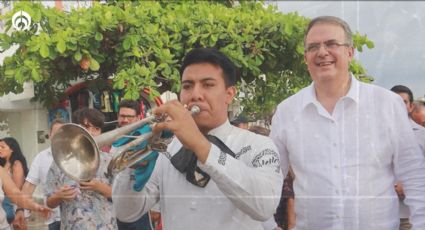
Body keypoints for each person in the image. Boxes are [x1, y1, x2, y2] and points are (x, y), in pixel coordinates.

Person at [270, 16, 425, 229]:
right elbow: (269, 178)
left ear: (350, 52)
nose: (322, 52)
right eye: (313, 47)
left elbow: (414, 173)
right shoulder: (287, 111)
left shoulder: (387, 104)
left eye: (332, 44)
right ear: (306, 57)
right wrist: (268, 225)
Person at [112, 48, 283, 230]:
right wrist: (132, 167)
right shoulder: (165, 148)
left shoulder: (258, 145)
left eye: (208, 85)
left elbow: (265, 206)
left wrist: (199, 144)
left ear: (229, 94)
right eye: (187, 86)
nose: (195, 94)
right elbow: (127, 213)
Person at [45, 108, 117, 229]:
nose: (92, 132)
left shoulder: (110, 161)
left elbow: (122, 197)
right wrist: (59, 196)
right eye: (87, 127)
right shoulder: (59, 161)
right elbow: (49, 202)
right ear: (76, 129)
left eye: (96, 128)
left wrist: (99, 187)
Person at [113, 100, 160, 230]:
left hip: (140, 206)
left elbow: (159, 173)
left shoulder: (149, 137)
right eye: (122, 116)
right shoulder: (114, 141)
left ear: (139, 117)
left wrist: (156, 207)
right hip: (116, 208)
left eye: (130, 117)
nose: (125, 120)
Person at [13, 119, 65, 230]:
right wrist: (20, 209)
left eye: (63, 134)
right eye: (56, 134)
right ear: (50, 135)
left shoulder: (78, 156)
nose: (60, 137)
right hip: (54, 218)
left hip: (77, 217)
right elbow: (29, 186)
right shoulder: (42, 157)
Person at [390, 85, 425, 230]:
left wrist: (406, 184)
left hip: (409, 215)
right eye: (394, 101)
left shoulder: (422, 135)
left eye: (403, 102)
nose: (398, 105)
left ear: (411, 106)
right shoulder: (374, 135)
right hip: (380, 214)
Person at [0, 137, 29, 226]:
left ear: (12, 149)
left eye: (2, 147)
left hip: (16, 204)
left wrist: (19, 209)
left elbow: (17, 188)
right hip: (6, 204)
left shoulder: (16, 164)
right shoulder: (4, 164)